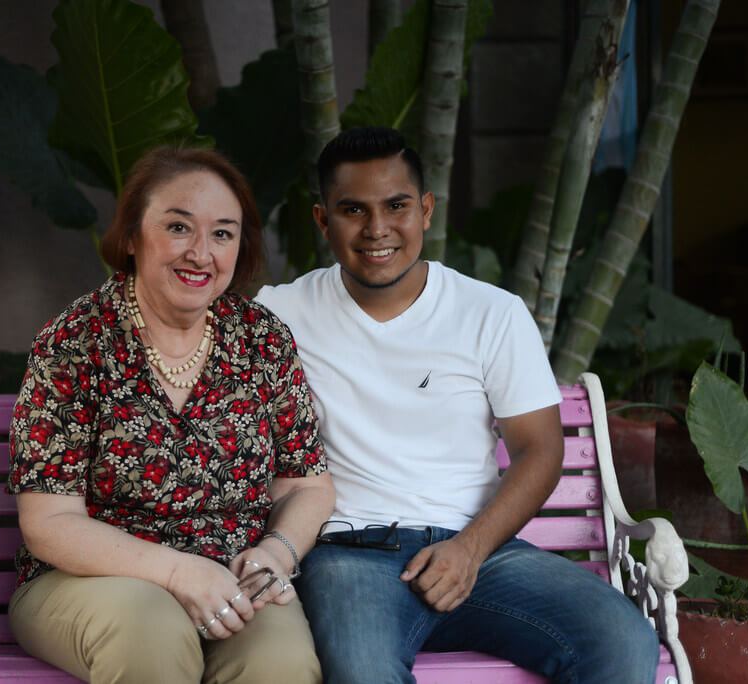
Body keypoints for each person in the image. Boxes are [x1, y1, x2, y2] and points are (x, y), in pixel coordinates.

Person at [255, 127, 659, 684]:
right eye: (353, 210)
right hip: (348, 555)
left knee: (620, 639)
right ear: (324, 220)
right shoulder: (279, 314)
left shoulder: (490, 312)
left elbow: (540, 449)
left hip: (483, 552)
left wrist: (469, 550)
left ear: (424, 210)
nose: (377, 229)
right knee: (362, 673)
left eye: (396, 206)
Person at [7, 146, 335, 684]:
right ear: (133, 237)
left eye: (223, 233)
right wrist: (180, 572)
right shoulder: (76, 340)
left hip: (233, 577)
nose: (201, 253)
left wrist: (275, 554)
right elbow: (49, 524)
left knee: (281, 663)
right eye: (179, 227)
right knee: (152, 633)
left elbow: (307, 485)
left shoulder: (261, 339)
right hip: (91, 580)